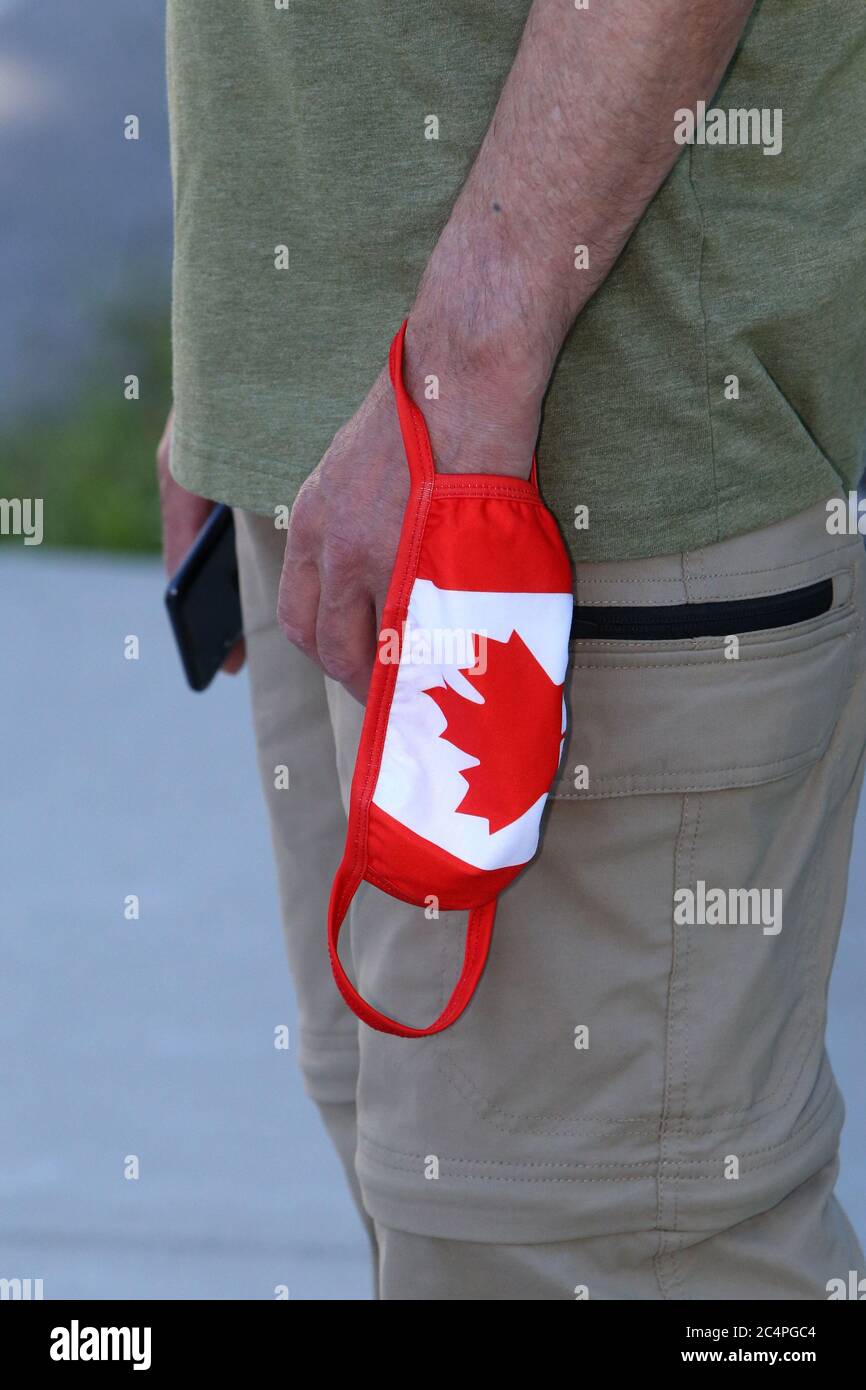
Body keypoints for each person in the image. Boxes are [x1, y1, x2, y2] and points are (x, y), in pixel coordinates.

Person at [158, 0, 866, 1299]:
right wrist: (231, 375)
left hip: (561, 468)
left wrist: (461, 376)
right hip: (347, 455)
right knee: (437, 1198)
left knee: (591, 1243)